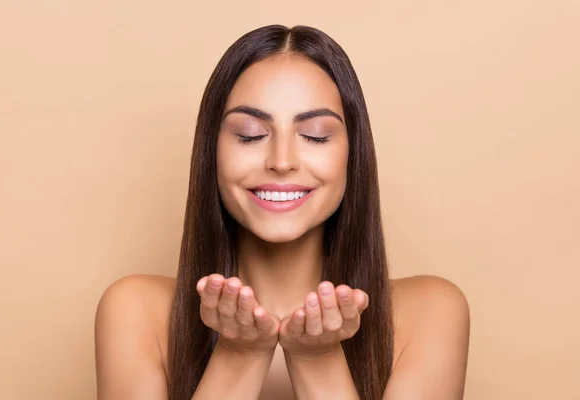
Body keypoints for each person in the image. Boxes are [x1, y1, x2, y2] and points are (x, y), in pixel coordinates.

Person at [94, 24, 470, 400]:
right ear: (212, 153)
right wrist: (239, 354)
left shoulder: (432, 313)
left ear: (352, 156)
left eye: (316, 135)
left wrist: (318, 358)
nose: (282, 161)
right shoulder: (135, 312)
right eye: (250, 135)